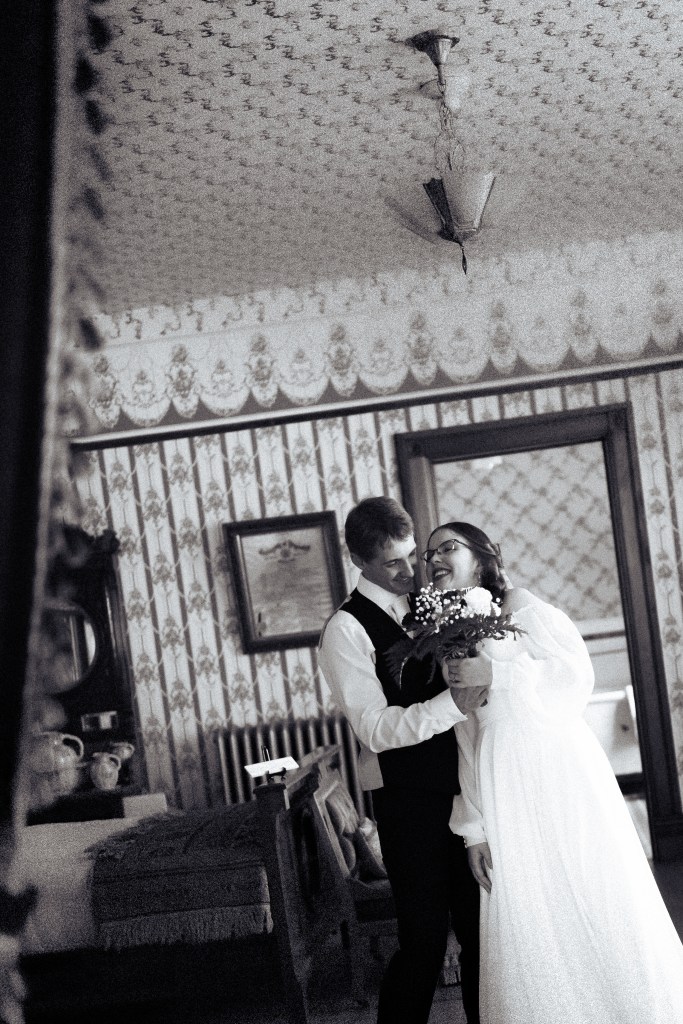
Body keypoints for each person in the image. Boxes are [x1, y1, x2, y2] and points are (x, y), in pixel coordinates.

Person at [424, 519, 683, 1024]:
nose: (433, 559)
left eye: (446, 547)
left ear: (481, 557)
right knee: (530, 906)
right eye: (427, 554)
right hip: (500, 779)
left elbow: (574, 675)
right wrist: (474, 829)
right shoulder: (448, 635)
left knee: (589, 886)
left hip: (555, 766)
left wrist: (496, 672)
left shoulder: (521, 605)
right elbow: (466, 734)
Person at [318, 497, 483, 1024]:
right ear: (358, 560)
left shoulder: (433, 603)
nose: (412, 571)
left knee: (481, 934)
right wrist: (451, 705)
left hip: (469, 793)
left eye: (413, 555)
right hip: (409, 804)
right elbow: (373, 728)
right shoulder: (345, 630)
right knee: (424, 941)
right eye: (393, 562)